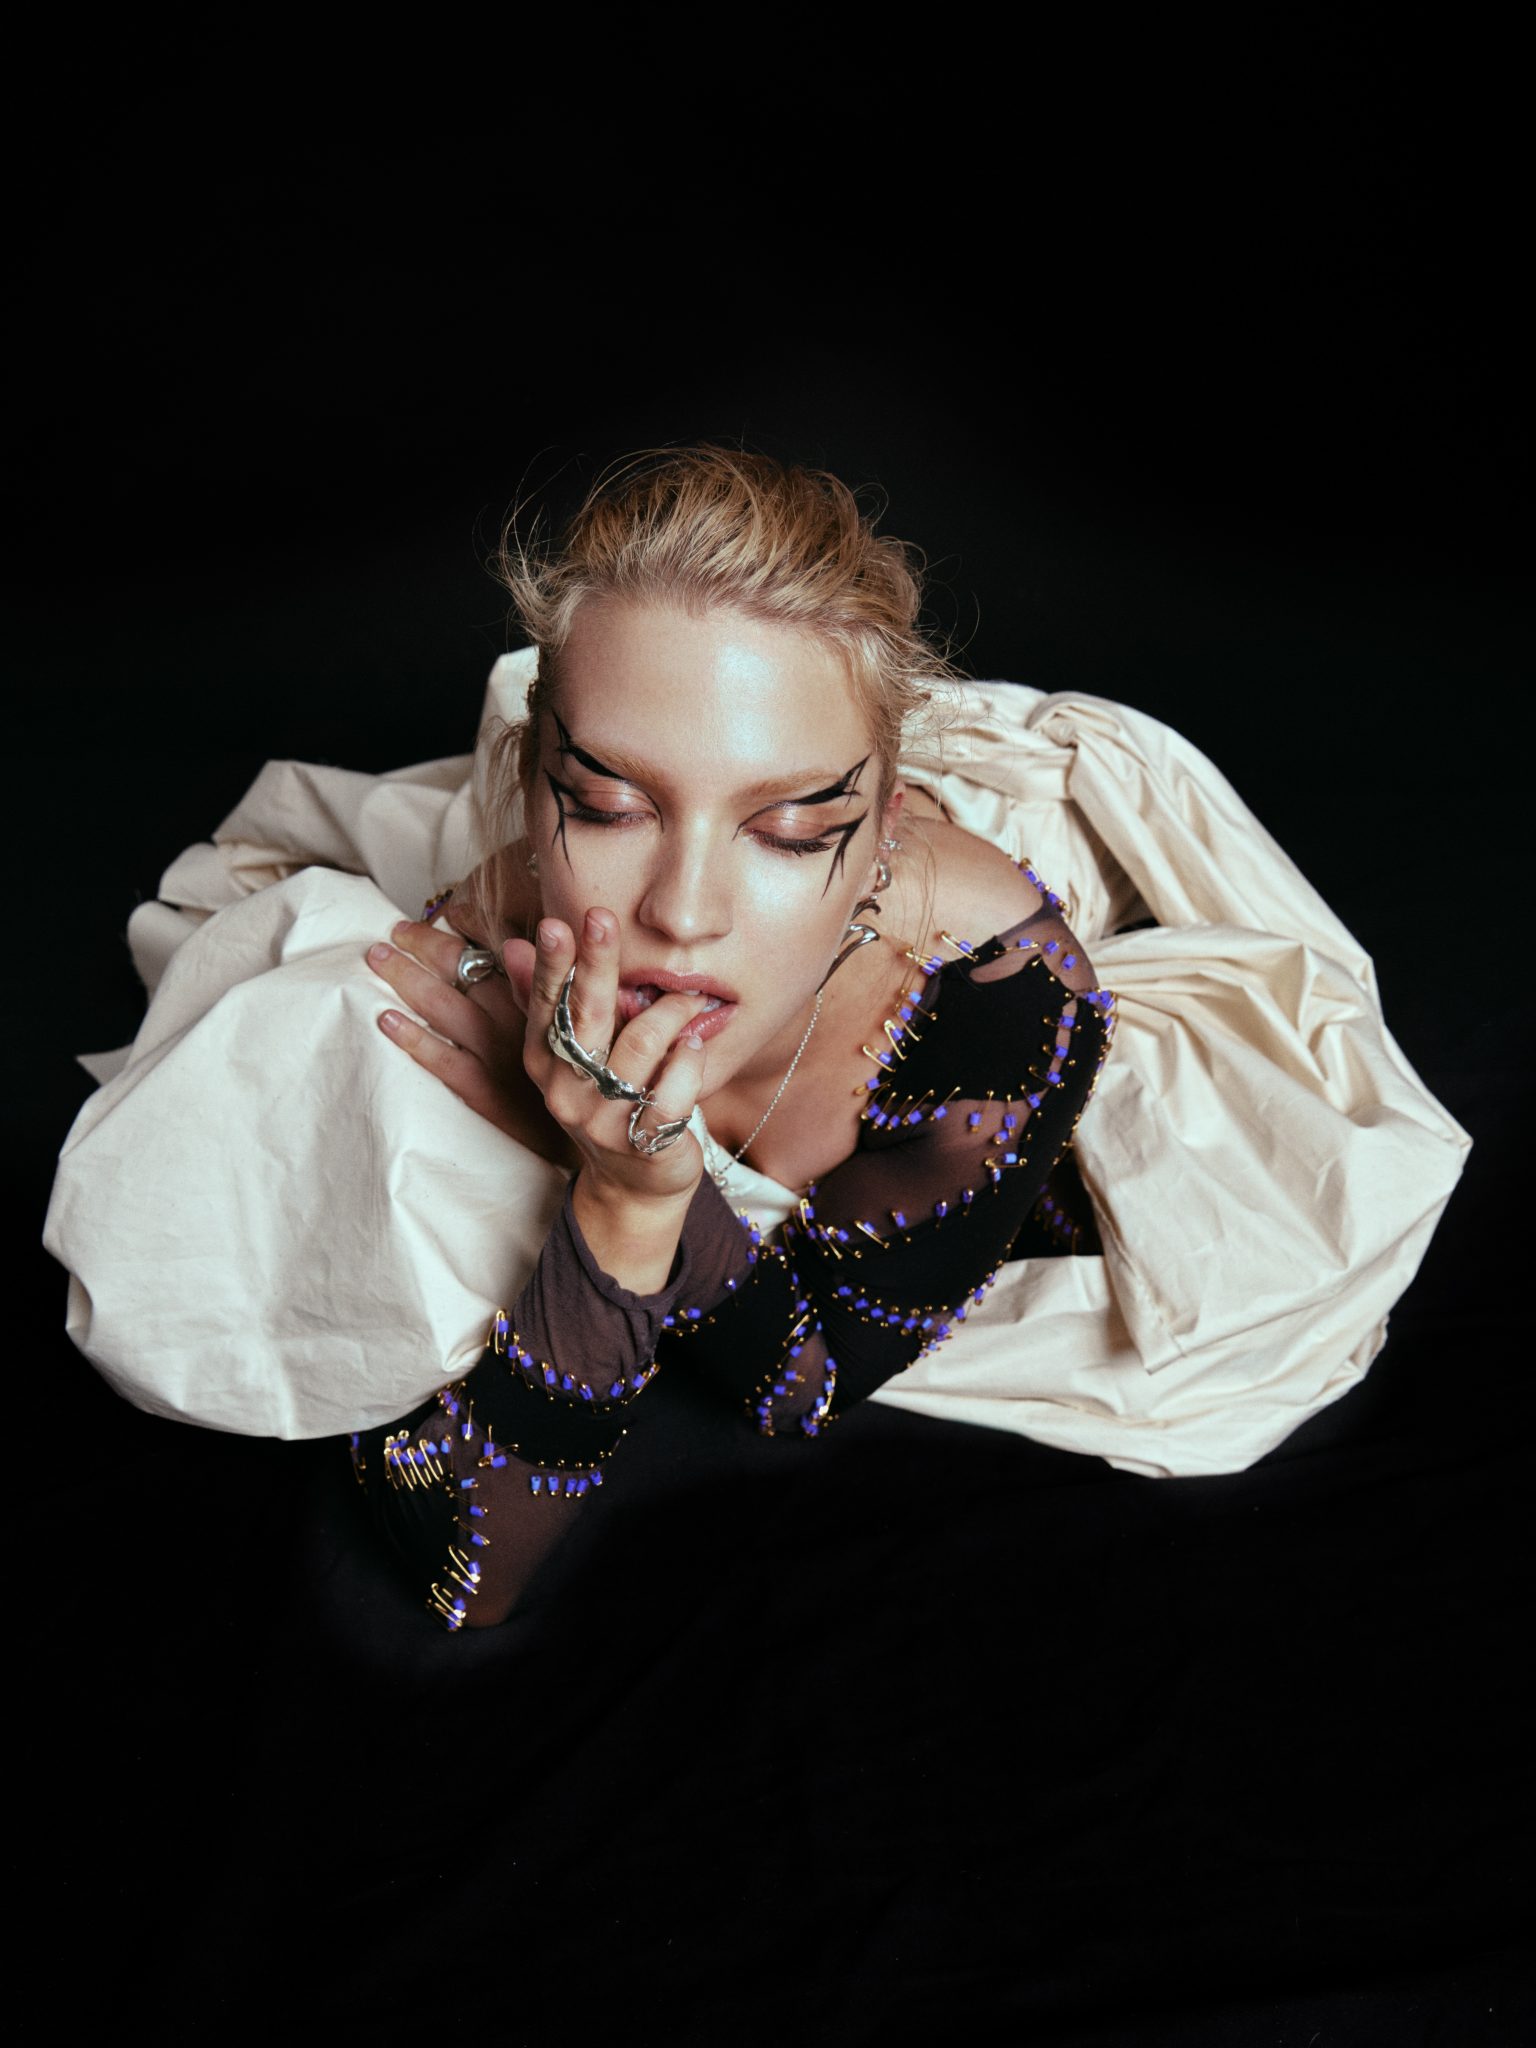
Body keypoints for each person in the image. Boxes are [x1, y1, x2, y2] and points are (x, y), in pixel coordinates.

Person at [44, 447, 1469, 1633]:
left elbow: (793, 1387)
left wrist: (617, 1182)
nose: (682, 909)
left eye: (790, 830)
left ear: (883, 829)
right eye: (608, 805)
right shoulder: (526, 898)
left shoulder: (1002, 1011)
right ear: (534, 782)